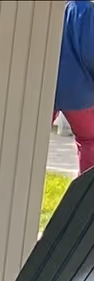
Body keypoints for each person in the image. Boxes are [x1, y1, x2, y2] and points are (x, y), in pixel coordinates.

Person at [58, 0, 94, 172]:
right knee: (90, 140)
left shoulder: (55, 8)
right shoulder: (83, 10)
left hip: (43, 86)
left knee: (27, 139)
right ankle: (88, 191)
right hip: (76, 91)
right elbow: (90, 54)